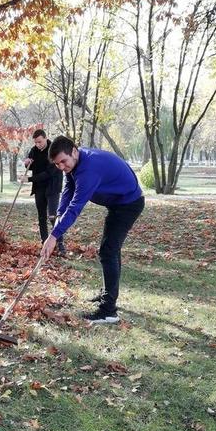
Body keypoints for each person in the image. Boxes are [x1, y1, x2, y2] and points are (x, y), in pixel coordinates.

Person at [40, 135, 144, 324]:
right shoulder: (75, 163)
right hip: (118, 203)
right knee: (110, 251)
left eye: (63, 162)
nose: (62, 167)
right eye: (57, 165)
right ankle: (108, 295)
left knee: (108, 251)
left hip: (129, 204)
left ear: (74, 151)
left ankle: (108, 311)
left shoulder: (89, 170)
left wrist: (54, 235)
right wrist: (57, 218)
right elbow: (67, 191)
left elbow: (75, 207)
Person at [23, 129, 65, 255]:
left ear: (46, 138)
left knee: (52, 216)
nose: (38, 145)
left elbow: (49, 173)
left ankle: (60, 243)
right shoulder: (34, 150)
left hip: (52, 187)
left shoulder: (54, 150)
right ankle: (44, 243)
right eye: (36, 142)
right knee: (41, 216)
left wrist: (29, 179)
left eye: (40, 142)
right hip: (39, 188)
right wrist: (27, 163)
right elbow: (29, 163)